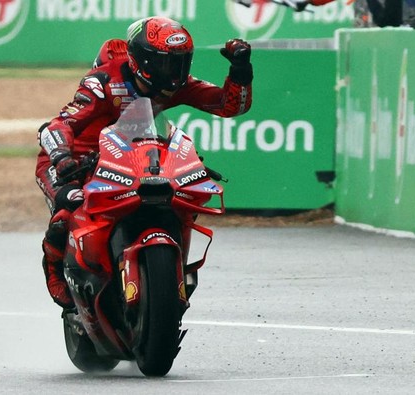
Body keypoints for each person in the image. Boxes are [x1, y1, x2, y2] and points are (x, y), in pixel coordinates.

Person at [35, 16, 253, 309]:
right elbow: (57, 125)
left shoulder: (179, 85)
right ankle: (56, 274)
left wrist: (240, 71)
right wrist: (62, 158)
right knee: (69, 204)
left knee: (172, 196)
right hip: (77, 159)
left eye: (180, 62)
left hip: (130, 159)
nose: (174, 72)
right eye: (165, 62)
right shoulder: (103, 82)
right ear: (142, 60)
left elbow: (229, 105)